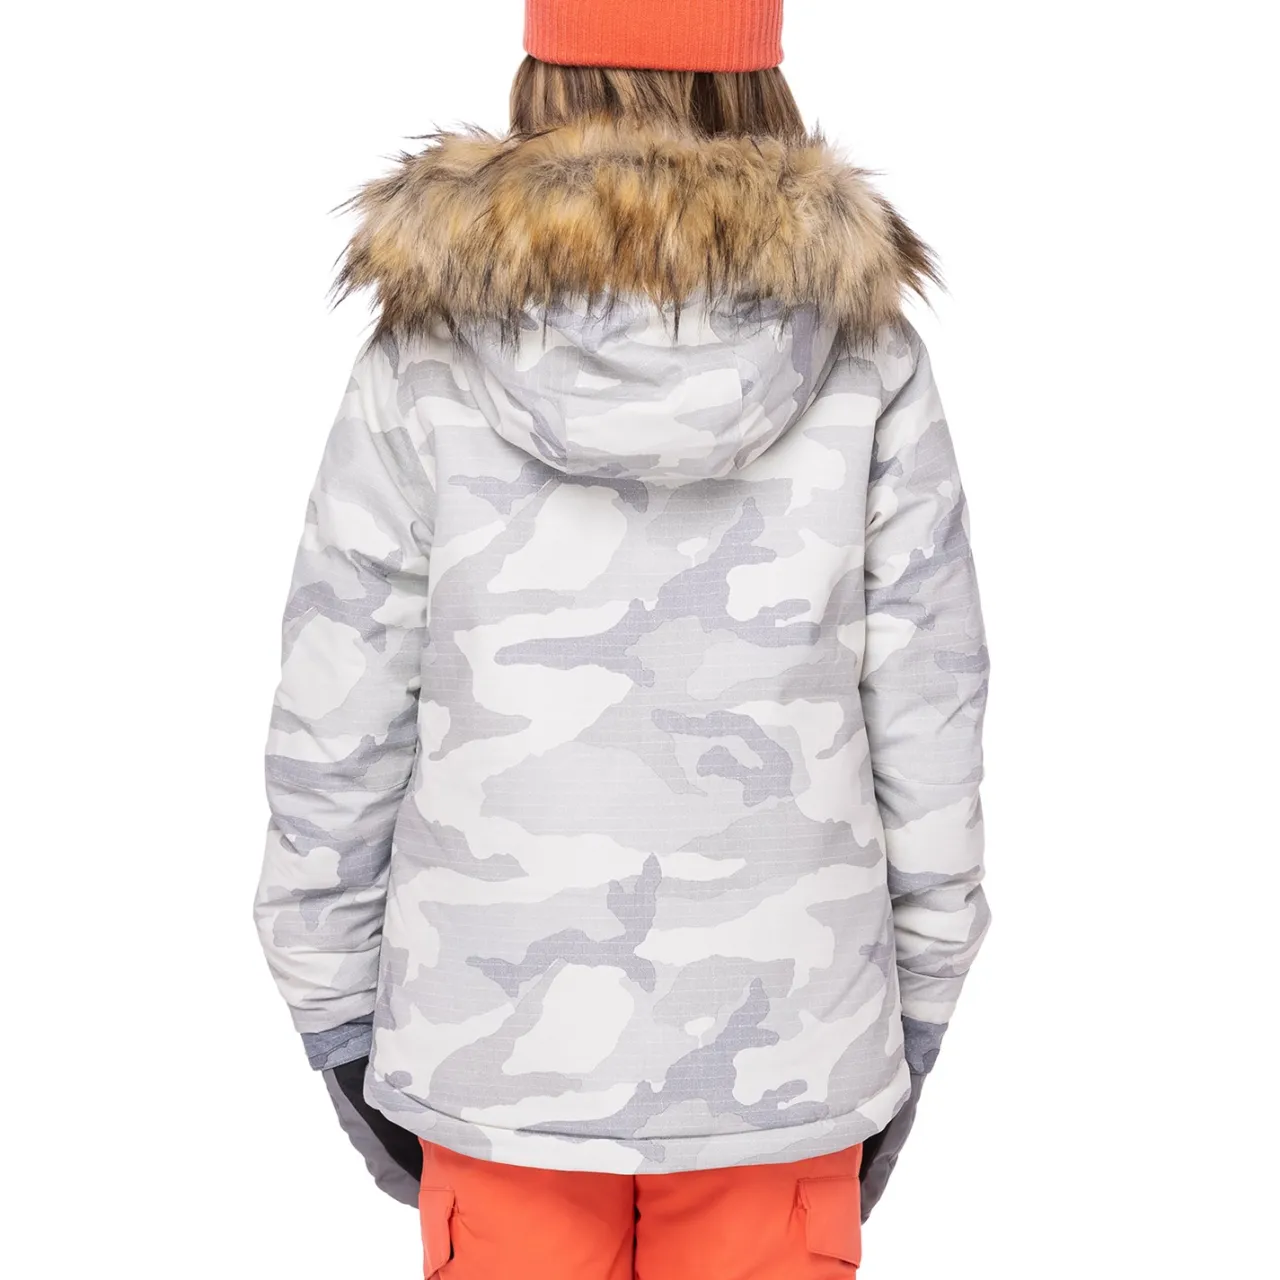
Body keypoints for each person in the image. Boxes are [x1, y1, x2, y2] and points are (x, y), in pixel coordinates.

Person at [254, 2, 991, 1275]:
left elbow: (340, 705)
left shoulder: (424, 354)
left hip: (491, 1058)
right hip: (790, 1049)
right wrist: (913, 1002)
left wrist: (330, 1001)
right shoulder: (864, 355)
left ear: (540, 68)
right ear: (760, 77)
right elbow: (928, 709)